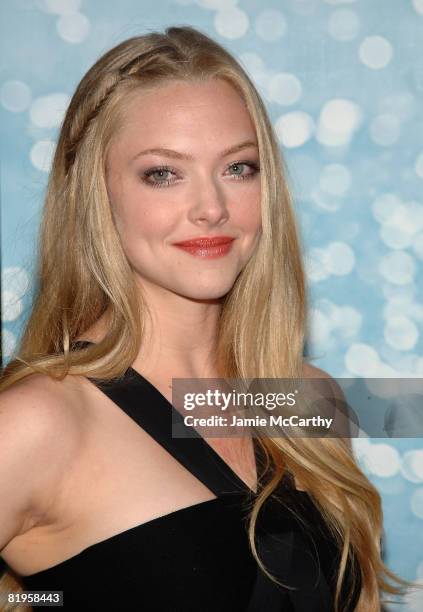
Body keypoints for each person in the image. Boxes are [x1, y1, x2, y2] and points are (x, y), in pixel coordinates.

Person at [0, 25, 412, 612]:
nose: (211, 208)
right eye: (163, 173)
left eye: (238, 168)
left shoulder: (308, 398)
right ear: (96, 194)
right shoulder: (39, 422)